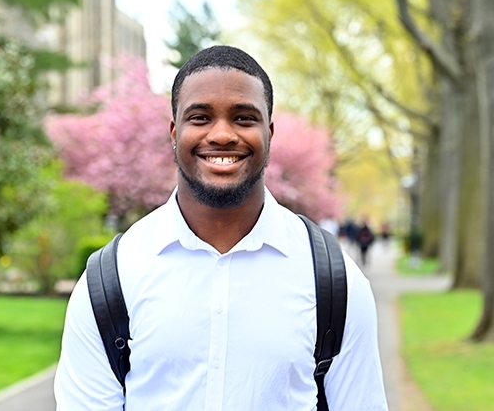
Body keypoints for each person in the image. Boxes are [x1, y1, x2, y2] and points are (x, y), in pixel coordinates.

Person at [54, 45, 388, 410]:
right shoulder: (110, 278)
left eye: (244, 118)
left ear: (270, 132)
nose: (223, 134)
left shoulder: (335, 281)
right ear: (173, 132)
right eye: (200, 118)